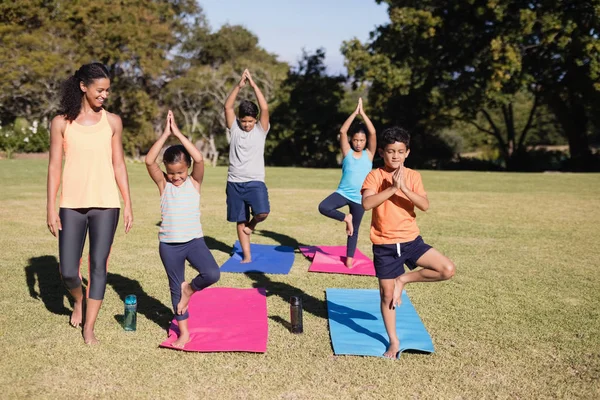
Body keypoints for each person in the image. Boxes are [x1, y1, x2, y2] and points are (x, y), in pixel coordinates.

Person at [46, 62, 133, 345]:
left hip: (107, 204)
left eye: (107, 90)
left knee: (98, 266)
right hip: (71, 204)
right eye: (100, 90)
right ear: (83, 87)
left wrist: (128, 203)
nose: (104, 95)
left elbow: (119, 164)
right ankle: (79, 299)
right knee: (68, 269)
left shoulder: (113, 122)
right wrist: (50, 207)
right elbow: (54, 168)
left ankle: (89, 327)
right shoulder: (61, 123)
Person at [361, 126, 456, 358]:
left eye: (400, 151)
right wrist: (392, 188)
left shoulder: (413, 176)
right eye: (391, 151)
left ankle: (403, 279)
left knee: (447, 269)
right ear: (381, 152)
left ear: (407, 153)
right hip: (384, 245)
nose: (395, 156)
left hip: (411, 241)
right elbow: (366, 203)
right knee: (386, 294)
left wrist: (403, 187)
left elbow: (424, 205)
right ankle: (393, 342)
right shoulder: (375, 175)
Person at [145, 110, 220, 349]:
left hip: (194, 241)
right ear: (166, 170)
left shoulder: (195, 182)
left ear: (187, 168)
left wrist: (177, 132)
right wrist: (165, 134)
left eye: (180, 172)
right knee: (174, 287)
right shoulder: (162, 184)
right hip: (169, 245)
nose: (176, 177)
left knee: (212, 273)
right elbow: (149, 161)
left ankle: (190, 289)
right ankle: (184, 334)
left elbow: (199, 159)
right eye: (172, 172)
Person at [318, 98, 376, 268]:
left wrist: (363, 114)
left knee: (354, 231)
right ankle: (346, 218)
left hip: (359, 198)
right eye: (356, 140)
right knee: (323, 207)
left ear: (366, 142)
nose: (358, 143)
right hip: (343, 193)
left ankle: (349, 259)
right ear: (352, 140)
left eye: (362, 140)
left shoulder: (369, 154)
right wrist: (354, 113)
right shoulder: (347, 152)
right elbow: (343, 131)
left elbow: (373, 133)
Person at [223, 69, 270, 263]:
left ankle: (252, 225)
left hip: (254, 182)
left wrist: (254, 86)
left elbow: (265, 109)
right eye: (244, 121)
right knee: (239, 220)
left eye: (250, 121)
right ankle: (247, 255)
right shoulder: (234, 128)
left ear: (256, 120)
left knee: (263, 212)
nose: (247, 125)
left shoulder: (260, 130)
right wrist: (238, 86)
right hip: (234, 182)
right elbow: (228, 107)